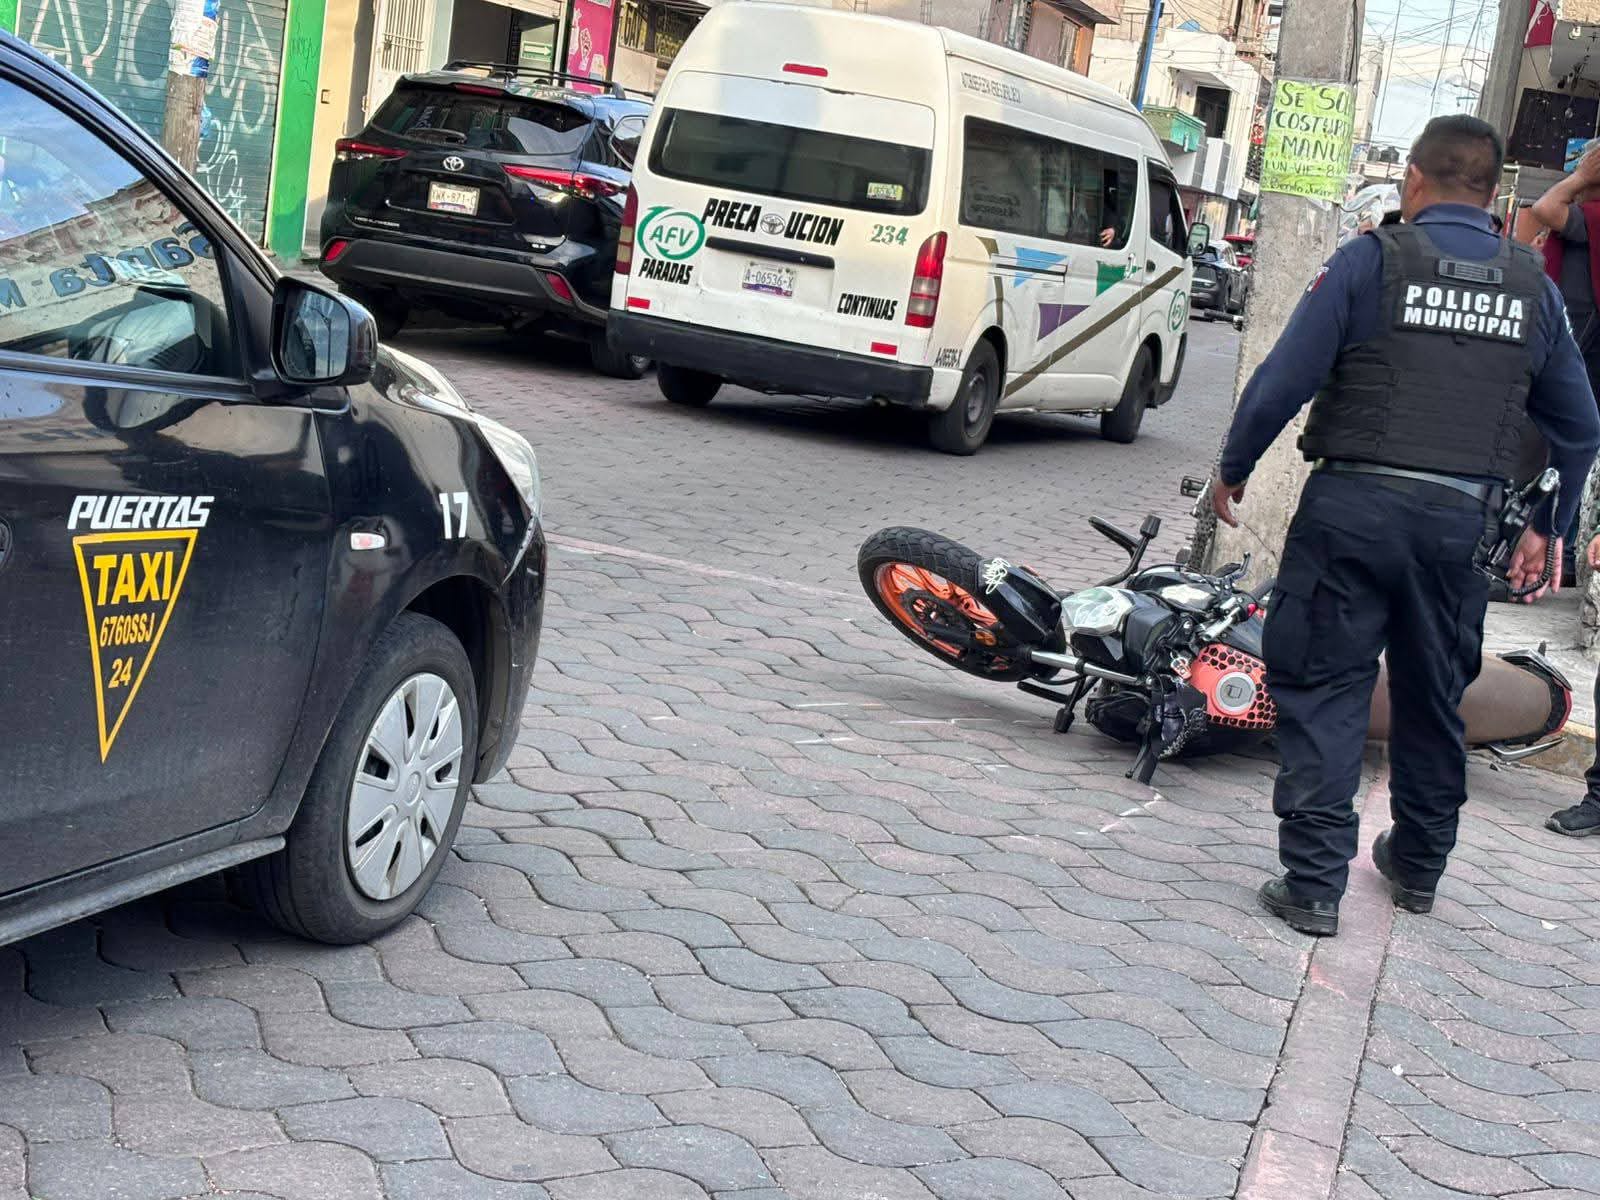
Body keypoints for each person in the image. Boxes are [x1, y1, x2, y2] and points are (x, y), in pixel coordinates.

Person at [1211, 115, 1600, 937]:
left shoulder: (1368, 261)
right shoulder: (1532, 288)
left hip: (1351, 508)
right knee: (1433, 692)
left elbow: (1285, 379)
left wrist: (1234, 467)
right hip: (1462, 522)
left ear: (1413, 181)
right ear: (1495, 195)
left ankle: (1314, 885)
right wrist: (1546, 525)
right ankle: (1418, 866)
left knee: (1325, 684)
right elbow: (1579, 424)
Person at [1529, 143, 1600, 584]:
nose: (1576, 166)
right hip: (1576, 341)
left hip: (1581, 345)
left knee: (1571, 447)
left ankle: (1561, 547)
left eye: (1586, 160)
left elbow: (1543, 206)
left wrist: (1576, 181)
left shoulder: (1591, 217)